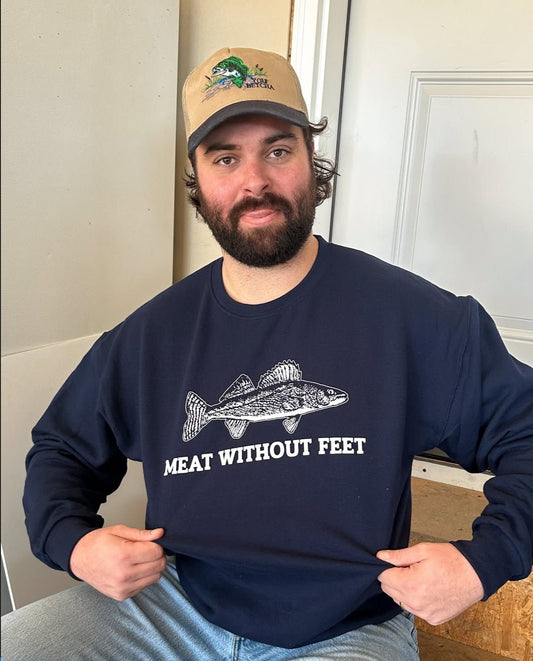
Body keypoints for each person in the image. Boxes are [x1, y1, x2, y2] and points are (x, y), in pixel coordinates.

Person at [2, 46, 532, 661]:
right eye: (225, 158)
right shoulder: (149, 336)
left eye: (277, 151)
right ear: (198, 177)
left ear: (312, 159)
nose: (254, 181)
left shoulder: (415, 318)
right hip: (174, 604)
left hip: (347, 624)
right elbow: (61, 448)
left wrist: (482, 562)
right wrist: (74, 544)